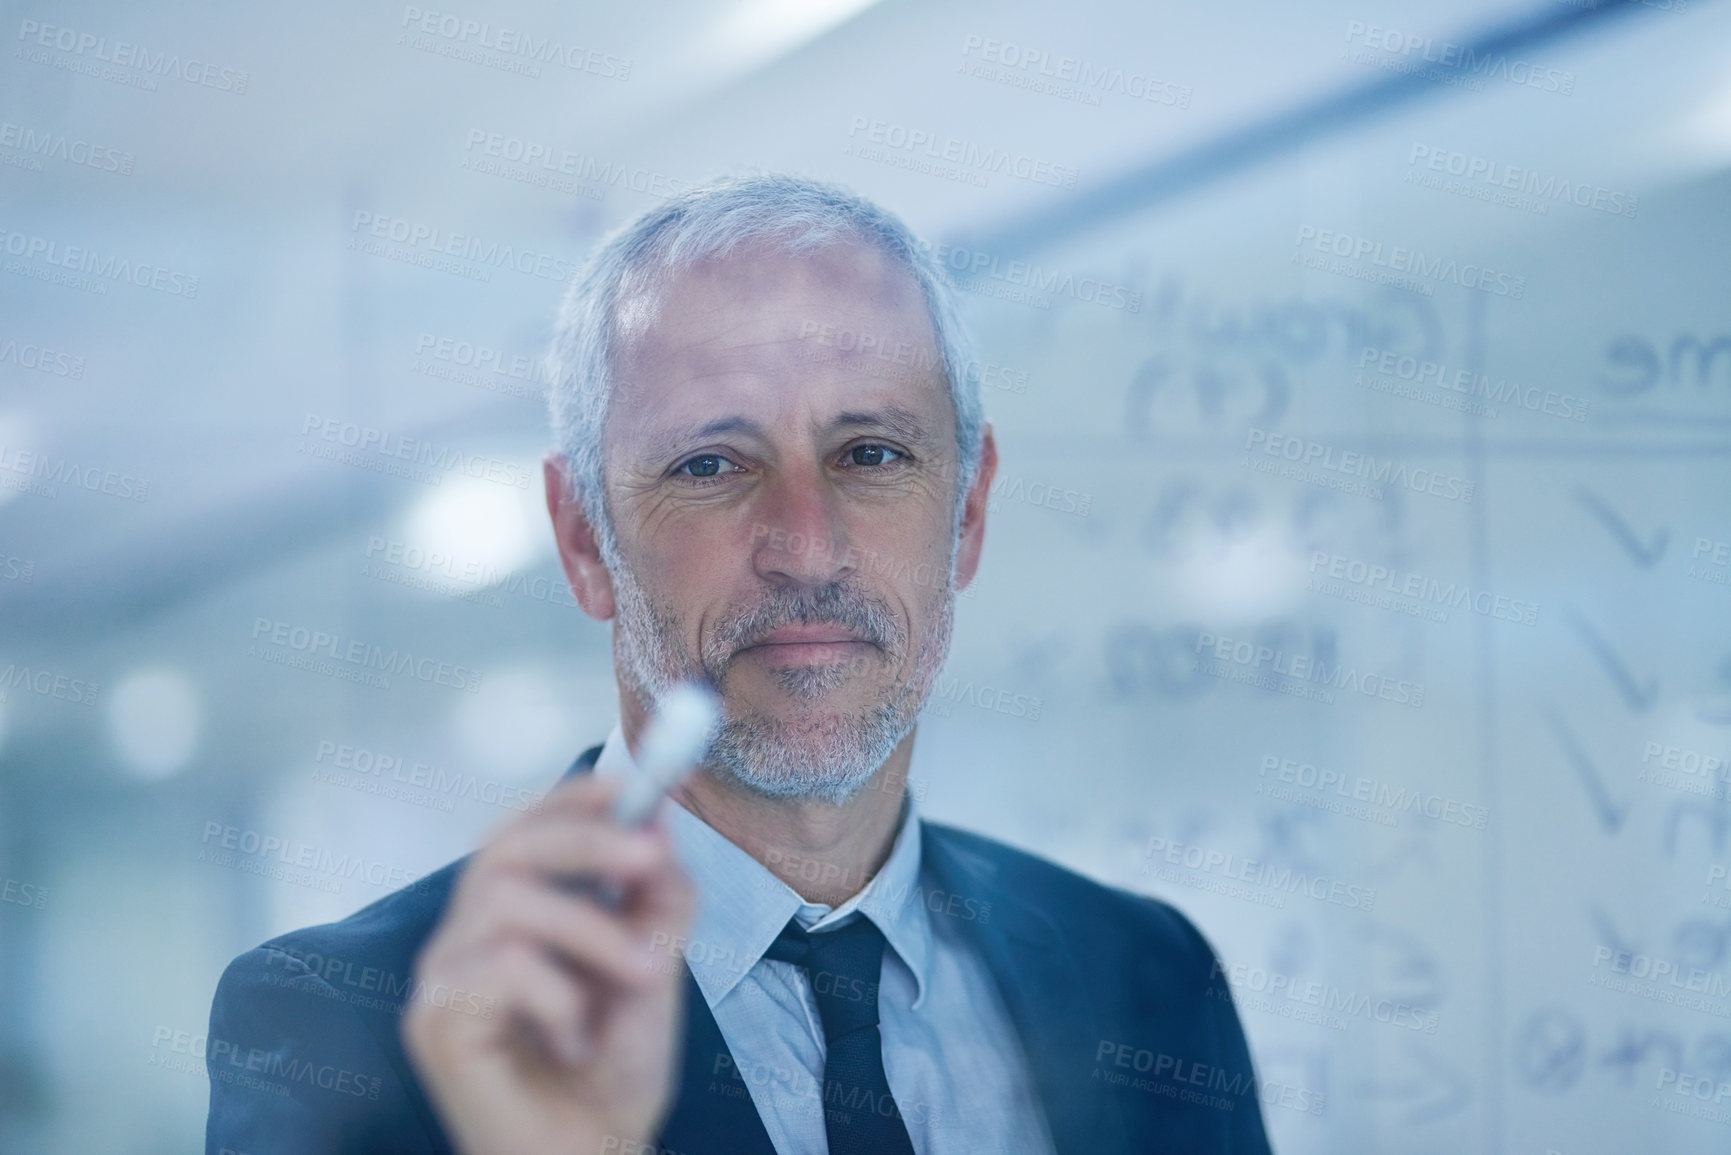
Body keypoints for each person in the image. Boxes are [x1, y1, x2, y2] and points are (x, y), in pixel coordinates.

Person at [204, 173, 1273, 1155]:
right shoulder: (342, 1024)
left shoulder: (1148, 976)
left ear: (970, 512)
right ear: (584, 541)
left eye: (871, 454)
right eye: (710, 464)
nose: (806, 545)